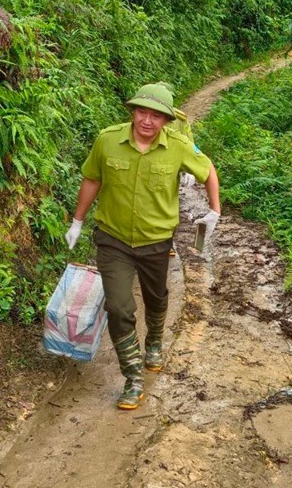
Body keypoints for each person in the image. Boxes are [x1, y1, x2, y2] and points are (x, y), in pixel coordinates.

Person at [64, 83, 221, 410]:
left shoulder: (179, 146)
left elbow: (208, 171)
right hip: (113, 238)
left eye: (155, 115)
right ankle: (133, 377)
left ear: (166, 120)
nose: (147, 120)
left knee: (156, 297)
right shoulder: (108, 140)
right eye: (141, 112)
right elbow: (92, 178)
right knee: (119, 307)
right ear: (132, 111)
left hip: (155, 240)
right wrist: (77, 221)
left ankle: (153, 341)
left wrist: (214, 211)